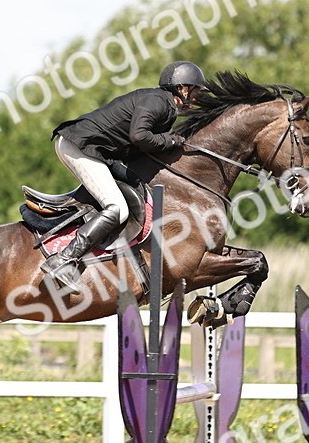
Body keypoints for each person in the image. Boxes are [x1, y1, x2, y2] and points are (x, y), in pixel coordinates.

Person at [41, 60, 207, 292]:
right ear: (183, 89)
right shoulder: (159, 102)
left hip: (91, 149)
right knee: (117, 207)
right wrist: (171, 140)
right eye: (197, 91)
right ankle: (65, 259)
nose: (198, 98)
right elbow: (139, 136)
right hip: (79, 146)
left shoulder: (164, 107)